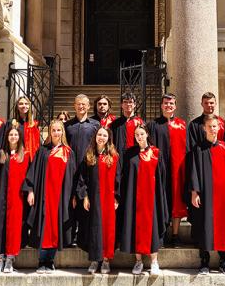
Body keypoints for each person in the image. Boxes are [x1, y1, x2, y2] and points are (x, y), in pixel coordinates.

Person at [23, 120, 77, 273]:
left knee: (56, 227)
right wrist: (31, 191)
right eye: (53, 130)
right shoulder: (42, 151)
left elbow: (73, 176)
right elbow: (33, 172)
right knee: (43, 226)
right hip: (44, 194)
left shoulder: (68, 152)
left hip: (61, 197)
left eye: (59, 130)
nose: (56, 133)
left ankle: (50, 260)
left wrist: (73, 196)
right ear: (50, 132)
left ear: (63, 132)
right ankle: (41, 260)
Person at [189, 115, 225, 275]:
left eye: (215, 126)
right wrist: (194, 192)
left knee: (224, 226)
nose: (212, 129)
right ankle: (205, 261)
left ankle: (224, 261)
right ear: (204, 128)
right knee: (205, 226)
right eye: (209, 126)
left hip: (223, 195)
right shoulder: (198, 149)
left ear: (219, 128)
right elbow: (194, 171)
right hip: (206, 194)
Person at [119, 124, 168, 276]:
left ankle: (154, 261)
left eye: (141, 134)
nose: (139, 137)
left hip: (151, 197)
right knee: (135, 227)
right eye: (136, 135)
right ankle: (138, 261)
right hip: (134, 197)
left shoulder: (156, 153)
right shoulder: (129, 154)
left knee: (152, 226)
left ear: (147, 134)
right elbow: (124, 176)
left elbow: (162, 175)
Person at [0, 124, 31, 274]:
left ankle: (10, 259)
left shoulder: (24, 155)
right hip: (0, 195)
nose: (13, 137)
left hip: (17, 197)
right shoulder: (1, 154)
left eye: (16, 135)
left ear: (20, 137)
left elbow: (28, 178)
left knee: (14, 226)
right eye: (11, 134)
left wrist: (29, 191)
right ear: (7, 137)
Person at [77, 126, 121, 274]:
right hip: (94, 198)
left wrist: (116, 197)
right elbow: (82, 179)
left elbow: (118, 178)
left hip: (109, 198)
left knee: (108, 228)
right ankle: (95, 259)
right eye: (99, 135)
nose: (101, 137)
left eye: (104, 135)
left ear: (109, 138)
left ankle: (106, 260)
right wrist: (85, 196)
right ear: (95, 137)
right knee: (95, 228)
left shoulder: (114, 156)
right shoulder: (89, 156)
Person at [147, 94, 186, 246]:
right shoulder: (153, 125)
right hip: (159, 169)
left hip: (177, 170)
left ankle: (175, 235)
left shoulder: (182, 125)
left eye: (171, 103)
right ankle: (161, 233)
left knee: (176, 200)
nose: (168, 105)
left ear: (175, 106)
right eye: (166, 103)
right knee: (160, 200)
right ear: (161, 106)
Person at [65, 94, 100, 243]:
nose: (81, 107)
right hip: (70, 169)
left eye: (84, 104)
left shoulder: (95, 125)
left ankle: (84, 237)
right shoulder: (67, 126)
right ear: (74, 106)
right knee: (70, 202)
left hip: (88, 169)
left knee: (86, 202)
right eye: (78, 104)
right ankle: (69, 236)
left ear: (88, 106)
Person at [109, 92, 145, 158]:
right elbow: (110, 141)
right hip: (119, 156)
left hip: (135, 156)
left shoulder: (140, 122)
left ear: (134, 104)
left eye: (130, 102)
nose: (128, 104)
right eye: (125, 102)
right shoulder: (115, 124)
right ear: (121, 105)